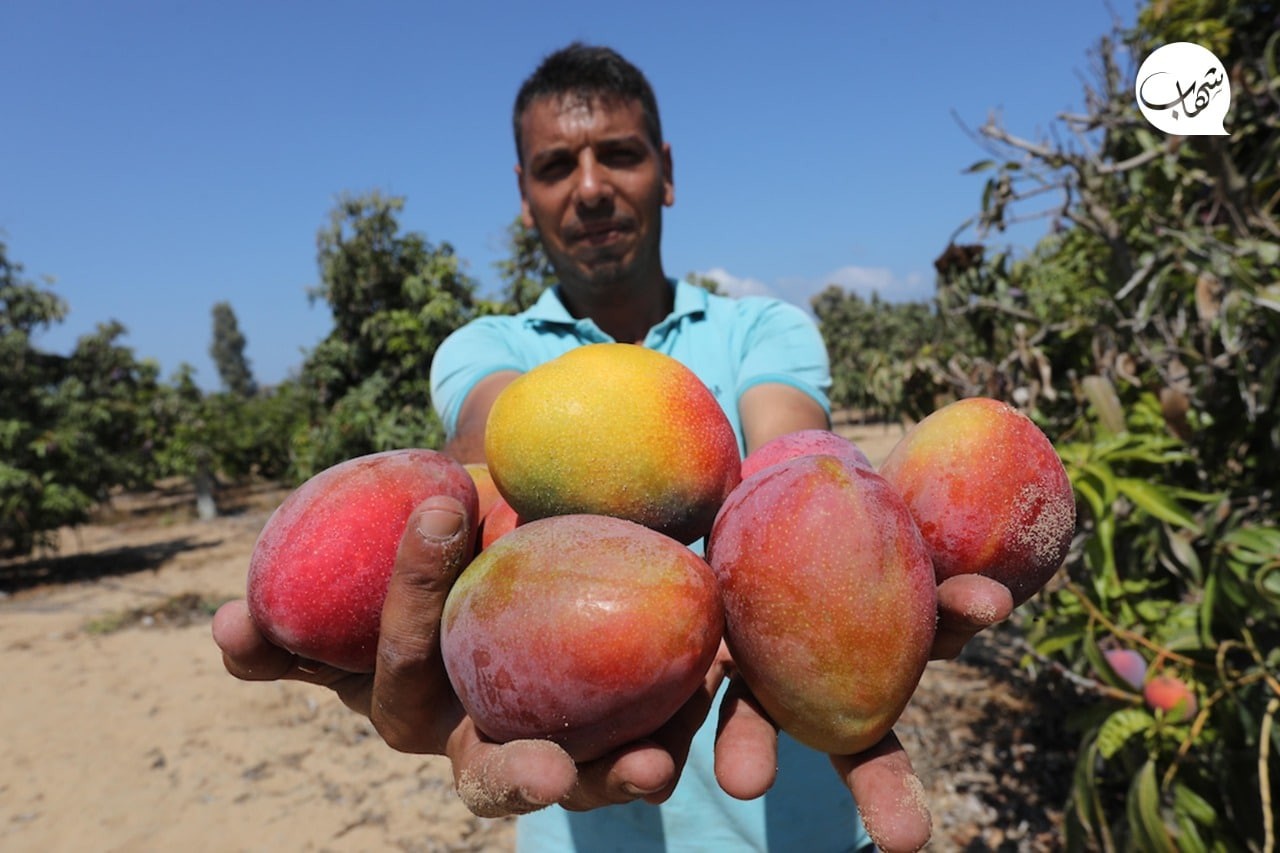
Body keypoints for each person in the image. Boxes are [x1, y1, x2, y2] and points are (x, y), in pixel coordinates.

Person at [213, 43, 1014, 852]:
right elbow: (493, 450)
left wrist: (845, 591)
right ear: (524, 194)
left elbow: (799, 465)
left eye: (620, 155)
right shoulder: (484, 348)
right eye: (557, 165)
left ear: (666, 172)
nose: (591, 187)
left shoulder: (763, 328)